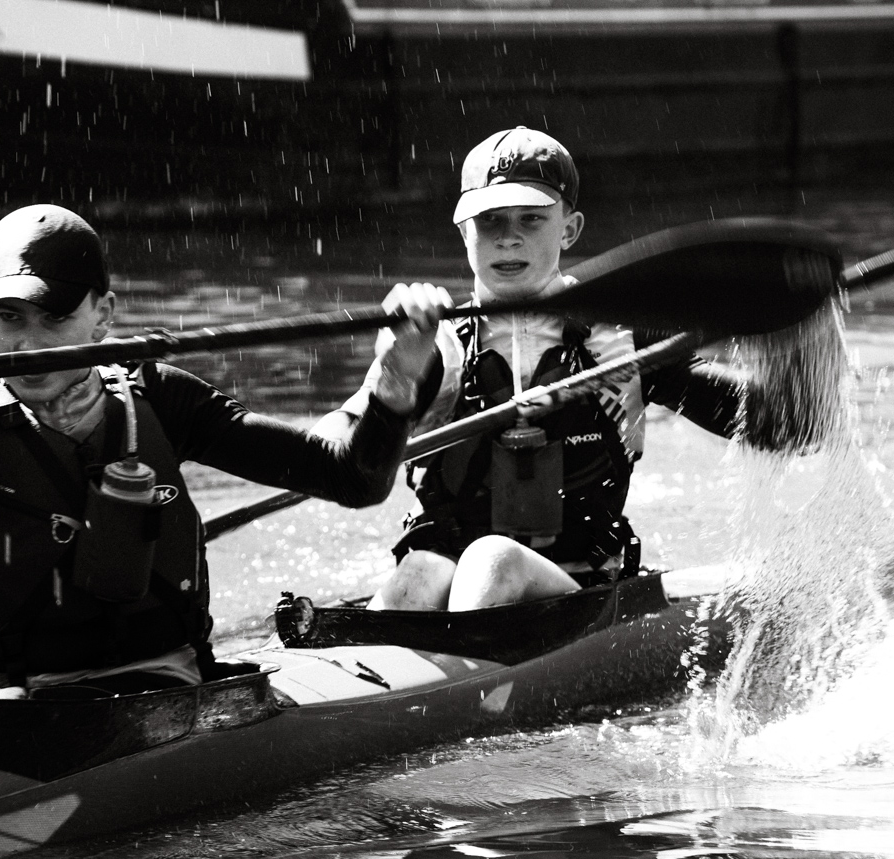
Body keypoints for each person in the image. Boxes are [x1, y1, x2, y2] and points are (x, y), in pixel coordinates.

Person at [0, 204, 438, 698]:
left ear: (104, 314)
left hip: (160, 688)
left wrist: (395, 380)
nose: (29, 344)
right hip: (14, 702)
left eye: (55, 317)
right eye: (9, 317)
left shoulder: (160, 397)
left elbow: (351, 479)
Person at [318, 126, 756, 613]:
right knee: (419, 570)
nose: (508, 238)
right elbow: (333, 453)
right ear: (464, 232)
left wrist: (799, 359)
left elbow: (764, 420)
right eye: (489, 220)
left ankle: (469, 656)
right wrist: (392, 375)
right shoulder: (432, 345)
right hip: (451, 587)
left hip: (582, 593)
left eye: (530, 218)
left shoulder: (623, 339)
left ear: (569, 229)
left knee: (494, 559)